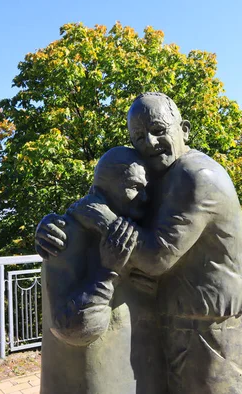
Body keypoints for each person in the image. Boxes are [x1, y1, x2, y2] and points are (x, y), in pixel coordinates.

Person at [38, 93, 242, 394]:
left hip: (211, 328)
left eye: (158, 130)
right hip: (174, 323)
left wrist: (102, 219)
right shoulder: (160, 177)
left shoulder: (196, 176)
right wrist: (55, 227)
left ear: (185, 130)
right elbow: (110, 193)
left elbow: (156, 257)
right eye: (139, 136)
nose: (150, 143)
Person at [39, 146, 166, 394]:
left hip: (142, 370)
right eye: (134, 187)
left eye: (146, 188)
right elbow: (72, 327)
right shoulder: (66, 235)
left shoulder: (146, 229)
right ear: (100, 190)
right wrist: (108, 272)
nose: (145, 198)